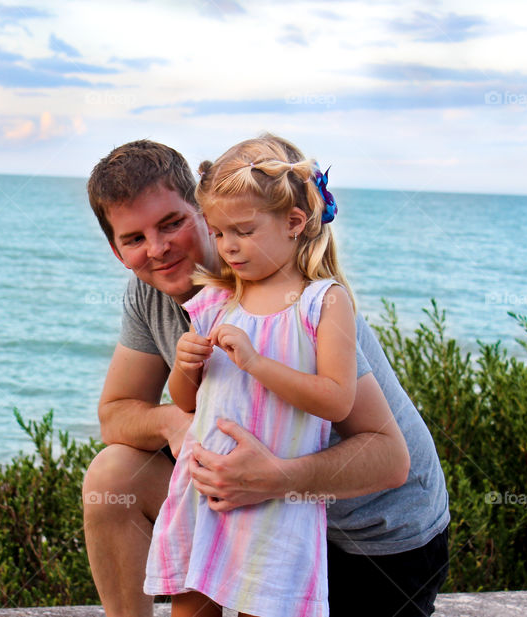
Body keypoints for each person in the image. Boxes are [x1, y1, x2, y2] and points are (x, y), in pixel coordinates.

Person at [83, 138, 450, 617]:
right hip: (255, 517)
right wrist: (175, 424)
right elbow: (116, 414)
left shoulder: (300, 298)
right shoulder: (152, 294)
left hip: (370, 541)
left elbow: (388, 458)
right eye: (134, 239)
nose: (158, 249)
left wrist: (275, 479)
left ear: (202, 209)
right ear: (116, 250)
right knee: (112, 476)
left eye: (172, 223)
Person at [144, 135, 357, 617]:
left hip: (273, 505)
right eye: (218, 233)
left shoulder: (321, 303)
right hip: (203, 489)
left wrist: (258, 364)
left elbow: (337, 400)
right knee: (191, 606)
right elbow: (187, 403)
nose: (228, 247)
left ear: (294, 223)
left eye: (242, 230)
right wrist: (184, 366)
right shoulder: (216, 301)